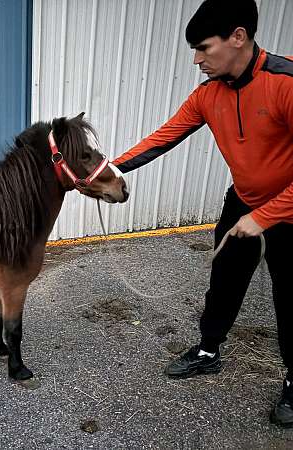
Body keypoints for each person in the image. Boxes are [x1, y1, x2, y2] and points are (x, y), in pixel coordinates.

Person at [112, 0, 293, 427]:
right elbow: (164, 137)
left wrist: (265, 217)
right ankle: (209, 350)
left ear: (238, 37)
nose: (196, 59)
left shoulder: (285, 82)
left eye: (203, 48)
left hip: (287, 211)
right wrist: (110, 171)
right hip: (243, 202)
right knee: (224, 282)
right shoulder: (209, 94)